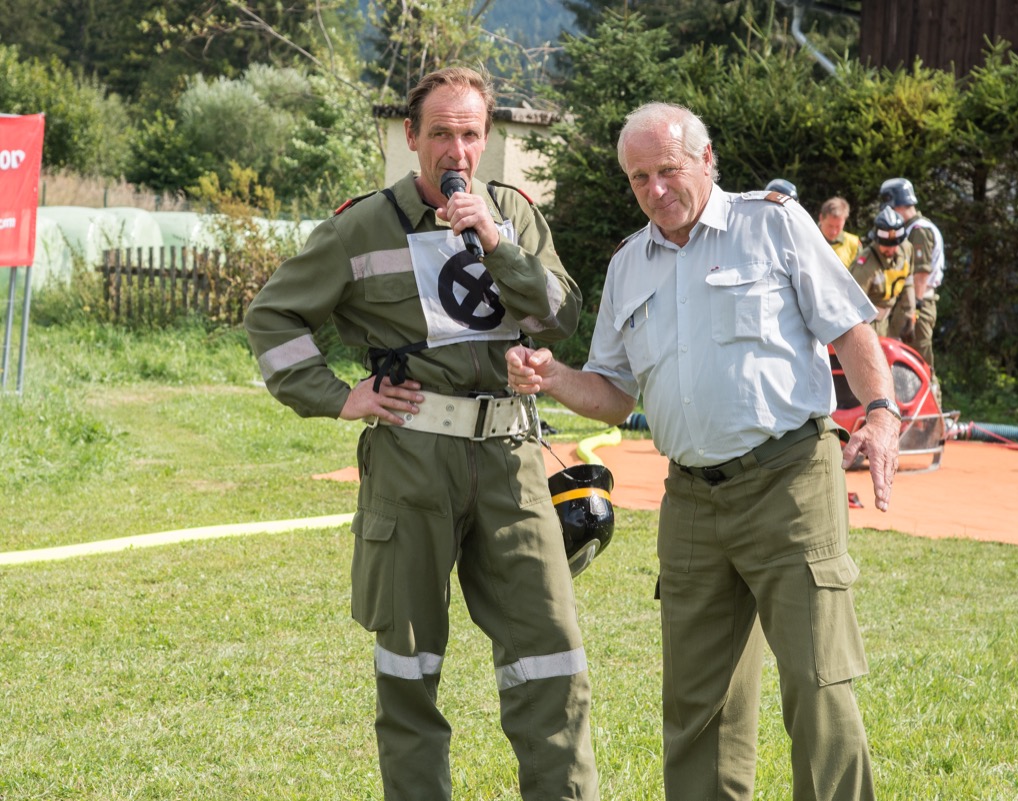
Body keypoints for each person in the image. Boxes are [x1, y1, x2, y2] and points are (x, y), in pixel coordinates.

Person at [508, 102, 900, 801]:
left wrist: (881, 412)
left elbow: (850, 326)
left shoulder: (773, 224)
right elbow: (613, 394)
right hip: (690, 497)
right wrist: (554, 375)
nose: (655, 190)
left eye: (668, 170)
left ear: (707, 159)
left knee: (817, 685)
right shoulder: (628, 264)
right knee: (698, 707)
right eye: (639, 178)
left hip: (789, 482)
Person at [243, 67, 598, 801]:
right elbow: (272, 317)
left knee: (550, 656)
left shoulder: (515, 213)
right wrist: (340, 398)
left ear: (486, 138)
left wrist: (496, 242)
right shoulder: (362, 226)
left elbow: (560, 317)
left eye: (469, 134)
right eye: (440, 133)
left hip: (511, 460)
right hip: (411, 458)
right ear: (412, 137)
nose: (456, 150)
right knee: (409, 667)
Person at [879, 177, 944, 372]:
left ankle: (933, 392)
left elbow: (921, 274)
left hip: (918, 303)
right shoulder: (910, 228)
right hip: (908, 303)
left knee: (919, 361)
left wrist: (913, 311)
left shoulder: (919, 231)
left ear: (897, 205)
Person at [850, 206, 916, 338]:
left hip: (888, 321)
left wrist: (910, 314)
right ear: (876, 240)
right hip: (867, 323)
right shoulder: (865, 266)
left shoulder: (906, 250)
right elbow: (852, 305)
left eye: (895, 245)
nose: (891, 250)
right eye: (886, 245)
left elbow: (908, 282)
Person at [818, 196, 862, 267]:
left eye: (838, 227)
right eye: (830, 226)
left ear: (844, 221)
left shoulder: (854, 244)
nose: (833, 232)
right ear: (821, 218)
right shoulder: (807, 239)